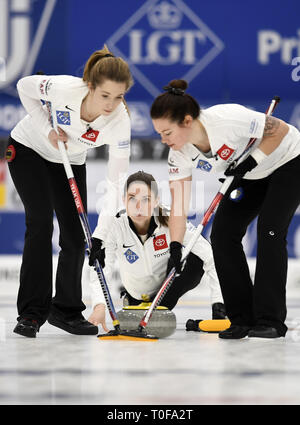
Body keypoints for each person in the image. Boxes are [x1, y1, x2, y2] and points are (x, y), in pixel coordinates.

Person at [150, 79, 300, 339]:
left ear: (187, 121)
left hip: (288, 160)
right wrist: (176, 246)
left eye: (167, 133)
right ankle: (242, 318)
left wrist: (252, 160)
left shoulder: (226, 120)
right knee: (222, 236)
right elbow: (179, 204)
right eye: (159, 134)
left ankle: (271, 320)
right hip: (250, 175)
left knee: (270, 231)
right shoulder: (179, 153)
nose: (163, 141)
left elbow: (280, 131)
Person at [6, 45, 133, 338]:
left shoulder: (119, 123)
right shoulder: (65, 88)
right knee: (39, 222)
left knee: (77, 236)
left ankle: (65, 310)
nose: (111, 104)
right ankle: (31, 313)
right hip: (29, 149)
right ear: (89, 86)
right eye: (104, 95)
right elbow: (24, 87)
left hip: (70, 160)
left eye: (119, 97)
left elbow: (116, 182)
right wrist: (47, 127)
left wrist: (101, 233)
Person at [87, 170, 225, 329]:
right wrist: (99, 305)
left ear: (156, 201)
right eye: (132, 198)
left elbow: (210, 256)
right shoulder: (114, 225)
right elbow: (101, 268)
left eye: (146, 199)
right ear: (124, 200)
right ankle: (134, 301)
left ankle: (157, 308)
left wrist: (218, 305)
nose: (138, 206)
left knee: (197, 256)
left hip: (165, 289)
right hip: (135, 291)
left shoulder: (172, 219)